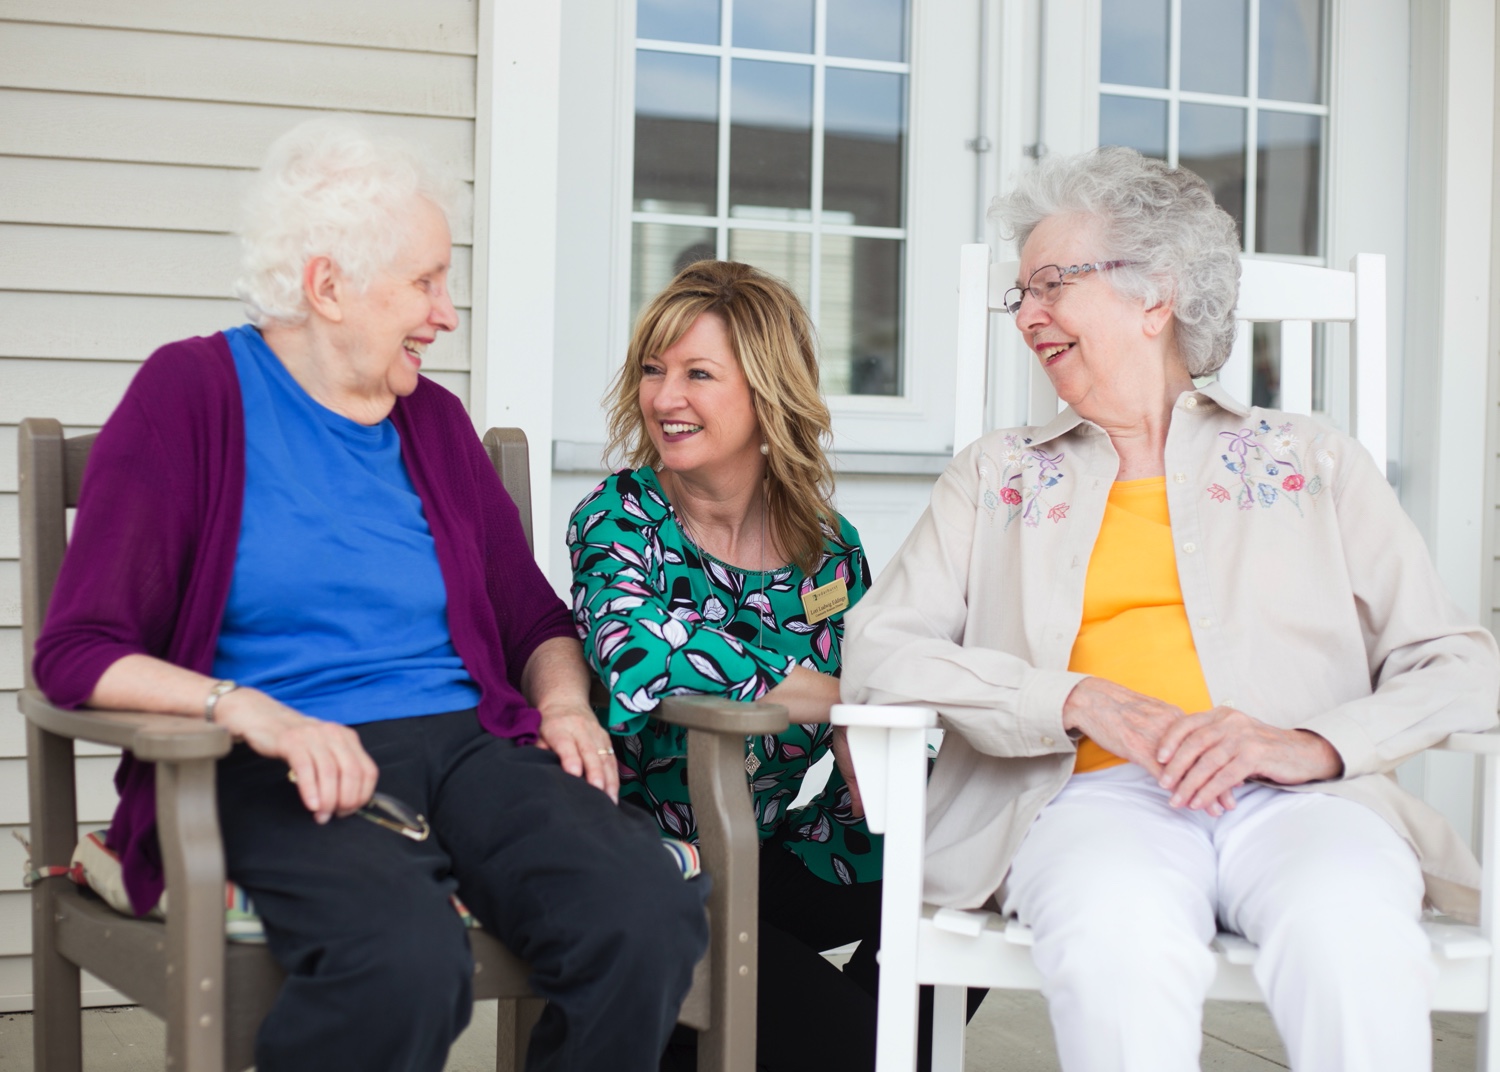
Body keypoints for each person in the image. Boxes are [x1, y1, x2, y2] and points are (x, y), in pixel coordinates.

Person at [32, 116, 707, 1072]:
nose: (444, 312)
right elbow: (79, 649)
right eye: (426, 282)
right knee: (401, 962)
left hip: (472, 751)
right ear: (327, 285)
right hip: (280, 762)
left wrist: (562, 702)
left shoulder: (432, 421)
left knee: (644, 914)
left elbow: (532, 618)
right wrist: (254, 714)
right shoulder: (192, 394)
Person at [841, 146, 1500, 1072]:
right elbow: (879, 647)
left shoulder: (1313, 461)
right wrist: (1073, 699)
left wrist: (1307, 745)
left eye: (1052, 284)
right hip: (1087, 796)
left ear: (1156, 297)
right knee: (1117, 936)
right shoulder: (998, 475)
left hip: (1305, 800)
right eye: (1020, 294)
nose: (1028, 314)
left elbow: (1462, 666)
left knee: (1349, 928)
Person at [568, 260, 883, 1071]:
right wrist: (817, 694)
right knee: (846, 1041)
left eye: (698, 374)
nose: (665, 398)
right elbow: (637, 650)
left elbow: (879, 680)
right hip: (651, 873)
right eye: (653, 370)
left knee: (957, 871)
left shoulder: (830, 548)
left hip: (766, 852)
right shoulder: (621, 516)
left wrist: (872, 735)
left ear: (768, 392)